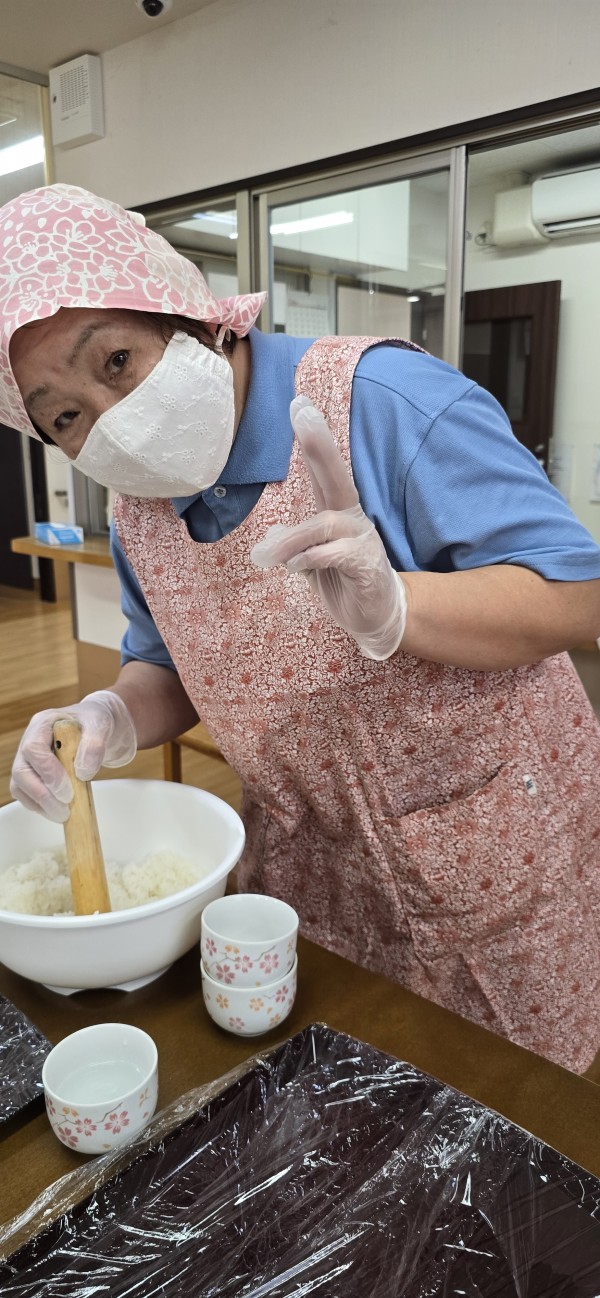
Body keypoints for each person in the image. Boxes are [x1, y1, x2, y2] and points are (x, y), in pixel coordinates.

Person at [1, 184, 600, 1074]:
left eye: (116, 360)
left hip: (490, 852)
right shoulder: (137, 514)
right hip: (313, 870)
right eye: (64, 415)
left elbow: (576, 594)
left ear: (190, 314)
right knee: (351, 1092)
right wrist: (111, 716)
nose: (107, 416)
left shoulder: (381, 399)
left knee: (515, 1102)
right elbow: (166, 666)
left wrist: (401, 608)